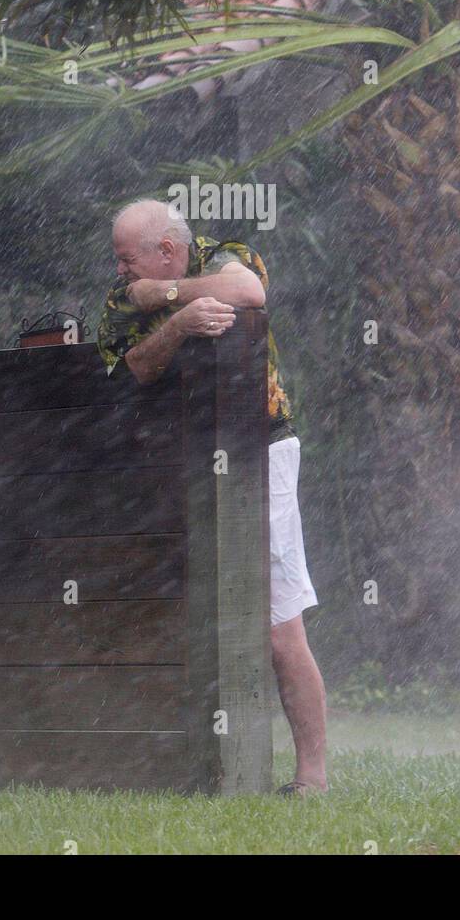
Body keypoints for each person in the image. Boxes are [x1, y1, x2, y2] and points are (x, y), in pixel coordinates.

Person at [97, 198, 327, 795]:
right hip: (176, 461)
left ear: (167, 251)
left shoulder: (226, 257)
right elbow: (136, 367)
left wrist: (170, 294)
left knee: (280, 626)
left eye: (128, 259)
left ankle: (312, 778)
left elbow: (248, 292)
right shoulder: (125, 295)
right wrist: (178, 317)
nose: (120, 270)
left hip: (261, 451)